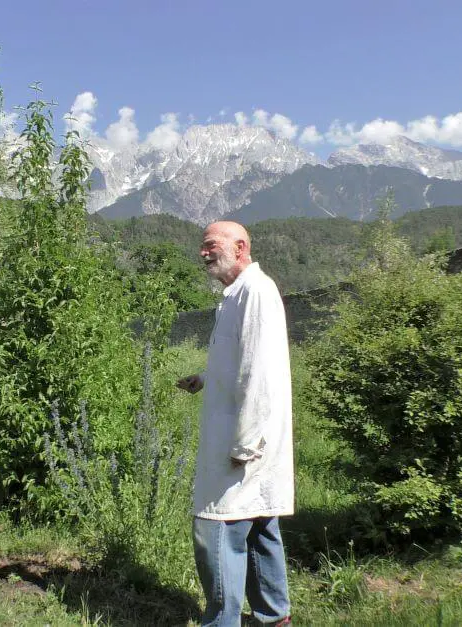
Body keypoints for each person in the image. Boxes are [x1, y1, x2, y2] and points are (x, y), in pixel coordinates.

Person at [177, 221, 294, 626]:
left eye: (211, 245)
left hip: (244, 444)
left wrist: (245, 445)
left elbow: (261, 373)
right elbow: (240, 364)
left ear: (240, 246)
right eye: (202, 246)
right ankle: (274, 619)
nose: (203, 252)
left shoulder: (256, 292)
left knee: (217, 532)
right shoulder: (236, 295)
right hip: (247, 441)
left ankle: (221, 622)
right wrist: (205, 379)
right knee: (261, 528)